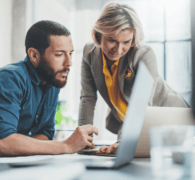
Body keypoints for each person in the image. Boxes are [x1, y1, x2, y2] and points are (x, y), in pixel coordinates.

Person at [0, 20, 98, 159]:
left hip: (10, 162)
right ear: (34, 55)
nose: (69, 63)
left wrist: (14, 146)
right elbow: (2, 144)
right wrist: (66, 146)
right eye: (59, 54)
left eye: (70, 53)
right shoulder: (9, 78)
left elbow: (45, 134)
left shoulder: (51, 81)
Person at [78, 2, 188, 154]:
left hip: (169, 118)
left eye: (126, 42)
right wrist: (84, 140)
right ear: (98, 34)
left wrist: (123, 141)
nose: (118, 49)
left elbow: (142, 105)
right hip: (131, 124)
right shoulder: (89, 54)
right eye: (112, 40)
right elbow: (87, 98)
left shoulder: (143, 54)